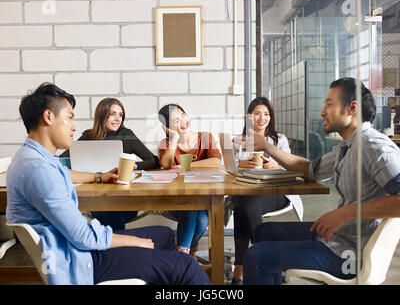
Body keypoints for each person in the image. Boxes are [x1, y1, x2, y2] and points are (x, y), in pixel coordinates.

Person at [6, 83, 210, 285]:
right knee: (185, 265)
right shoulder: (39, 170)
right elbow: (83, 236)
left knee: (165, 235)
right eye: (69, 117)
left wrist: (98, 176)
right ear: (49, 117)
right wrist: (136, 242)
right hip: (82, 259)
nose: (74, 126)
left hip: (74, 247)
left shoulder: (32, 158)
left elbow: (65, 174)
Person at [235, 77, 400, 285]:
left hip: (351, 254)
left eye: (329, 104)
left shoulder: (374, 146)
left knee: (257, 256)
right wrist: (268, 148)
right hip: (339, 237)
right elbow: (309, 169)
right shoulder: (347, 146)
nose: (322, 111)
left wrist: (347, 212)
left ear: (352, 108)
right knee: (264, 231)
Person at [229, 97, 303, 285]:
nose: (262, 118)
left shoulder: (280, 140)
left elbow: (292, 169)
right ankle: (260, 261)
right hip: (247, 192)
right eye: (257, 114)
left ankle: (244, 266)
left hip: (276, 193)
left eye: (266, 114)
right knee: (244, 204)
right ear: (249, 117)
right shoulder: (240, 141)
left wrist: (275, 165)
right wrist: (241, 164)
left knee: (244, 205)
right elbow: (229, 171)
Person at [61, 97, 160, 231]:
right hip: (96, 197)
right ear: (102, 115)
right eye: (112, 114)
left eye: (120, 115)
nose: (117, 118)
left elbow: (154, 161)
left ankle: (111, 244)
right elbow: (61, 160)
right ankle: (117, 244)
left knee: (105, 211)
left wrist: (133, 166)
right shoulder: (88, 137)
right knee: (102, 207)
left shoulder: (126, 135)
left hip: (124, 199)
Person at [158, 104, 222, 257]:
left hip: (204, 199)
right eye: (176, 121)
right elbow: (166, 164)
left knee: (200, 217)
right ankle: (188, 254)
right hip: (176, 200)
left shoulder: (205, 137)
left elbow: (215, 161)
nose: (183, 121)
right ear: (168, 128)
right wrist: (174, 139)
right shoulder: (165, 144)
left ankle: (183, 256)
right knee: (193, 206)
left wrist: (184, 166)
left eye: (183, 115)